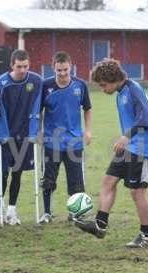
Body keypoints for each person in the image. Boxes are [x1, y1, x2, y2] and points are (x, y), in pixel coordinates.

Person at [75, 58, 148, 248]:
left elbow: (145, 119)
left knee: (137, 192)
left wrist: (126, 137)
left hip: (143, 149)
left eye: (103, 85)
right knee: (108, 181)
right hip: (129, 147)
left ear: (114, 79)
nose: (102, 88)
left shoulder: (133, 90)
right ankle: (100, 225)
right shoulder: (121, 92)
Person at [39, 51, 92, 223]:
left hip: (74, 142)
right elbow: (38, 111)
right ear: (53, 68)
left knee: (76, 181)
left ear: (71, 67)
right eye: (59, 70)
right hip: (51, 142)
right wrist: (38, 131)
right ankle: (47, 213)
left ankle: (76, 212)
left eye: (65, 70)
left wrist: (88, 130)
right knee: (48, 180)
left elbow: (87, 108)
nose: (62, 74)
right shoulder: (45, 85)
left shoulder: (80, 85)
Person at [0, 49, 42, 226]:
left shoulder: (36, 81)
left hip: (25, 136)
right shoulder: (2, 82)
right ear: (11, 65)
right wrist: (2, 133)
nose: (22, 70)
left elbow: (38, 107)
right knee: (4, 172)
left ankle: (12, 210)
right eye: (19, 66)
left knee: (17, 173)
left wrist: (34, 132)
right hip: (5, 136)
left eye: (26, 66)